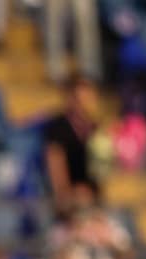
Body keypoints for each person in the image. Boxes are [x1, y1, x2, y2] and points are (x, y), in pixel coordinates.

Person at [43, 75, 101, 217]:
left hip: (91, 196)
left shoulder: (95, 129)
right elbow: (55, 161)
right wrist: (65, 193)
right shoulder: (59, 127)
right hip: (70, 199)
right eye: (79, 99)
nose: (83, 103)